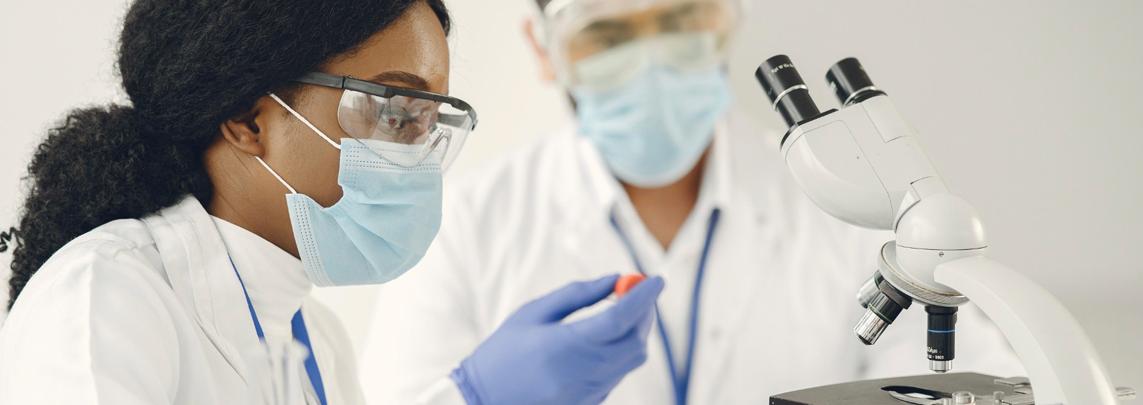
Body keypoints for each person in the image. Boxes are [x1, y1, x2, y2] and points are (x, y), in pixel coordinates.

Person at [0, 0, 664, 404]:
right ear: (247, 117)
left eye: (433, 117)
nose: (418, 150)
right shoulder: (108, 299)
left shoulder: (316, 338)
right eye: (394, 108)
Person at [360, 0, 1024, 403]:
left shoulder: (849, 203)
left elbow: (976, 382)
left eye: (679, 22)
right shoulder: (465, 226)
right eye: (609, 36)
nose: (650, 62)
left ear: (725, 21)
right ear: (545, 49)